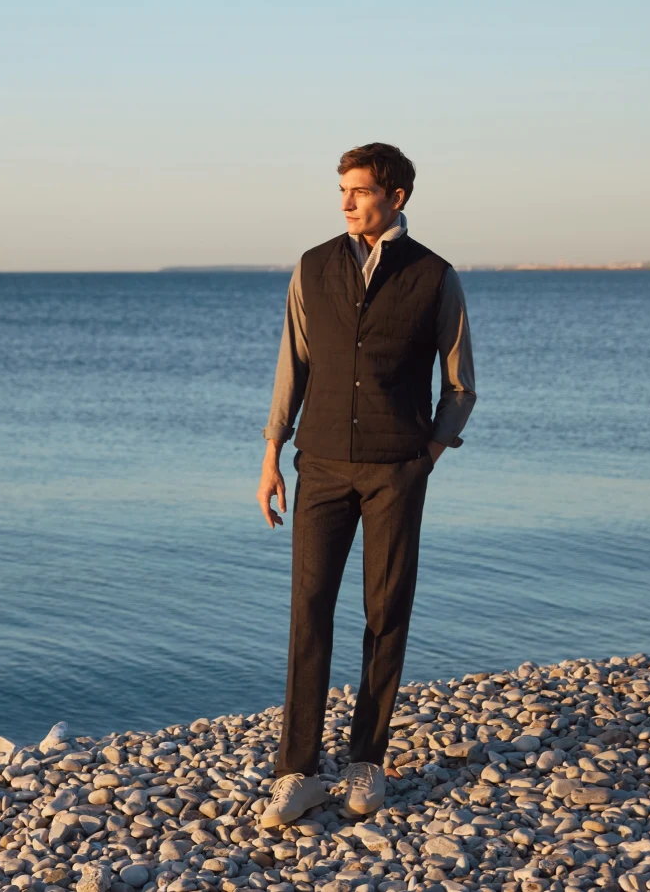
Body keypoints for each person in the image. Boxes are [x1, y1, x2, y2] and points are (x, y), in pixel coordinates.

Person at [255, 142, 477, 826]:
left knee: (385, 612)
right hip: (318, 463)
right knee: (309, 609)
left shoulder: (434, 276)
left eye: (359, 190)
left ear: (396, 198)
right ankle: (297, 771)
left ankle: (366, 760)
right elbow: (292, 360)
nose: (346, 201)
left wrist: (428, 452)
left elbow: (462, 383)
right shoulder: (313, 266)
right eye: (341, 190)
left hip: (395, 470)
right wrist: (272, 452)